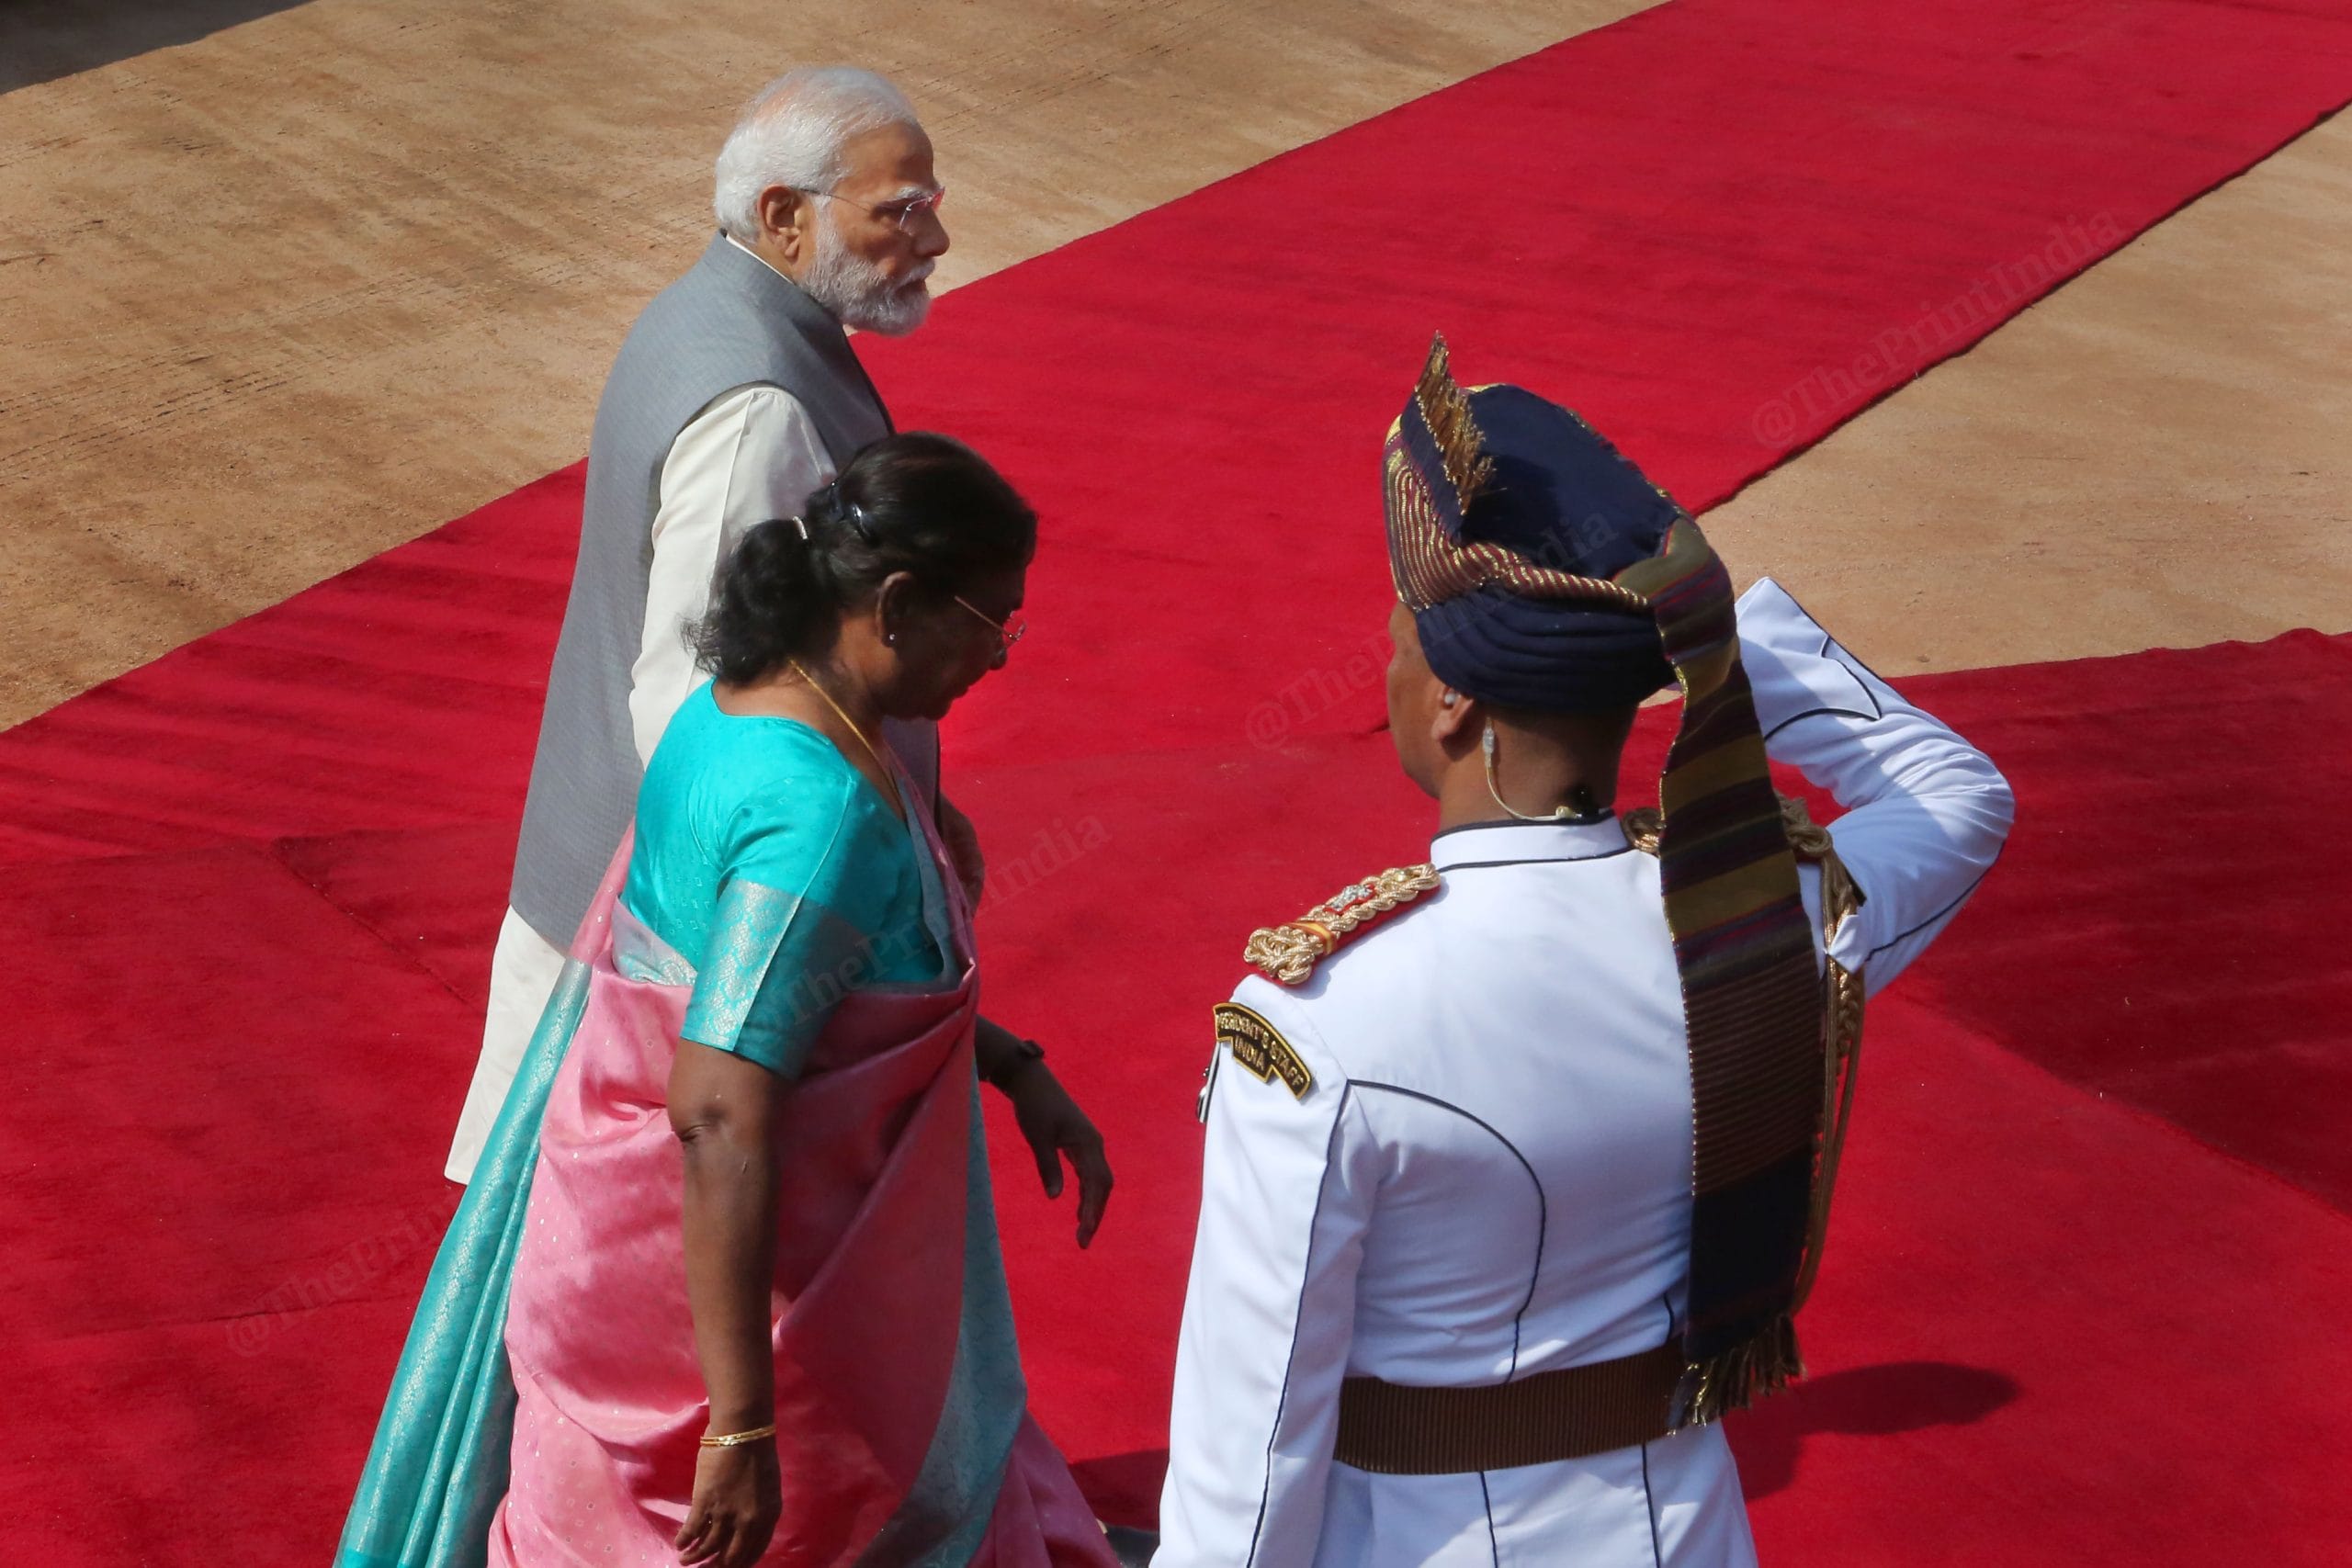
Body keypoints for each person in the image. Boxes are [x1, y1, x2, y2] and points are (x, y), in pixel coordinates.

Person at [1152, 338, 2014, 1565]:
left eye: (1400, 643)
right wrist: (1712, 642)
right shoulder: (1760, 927)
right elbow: (1954, 795)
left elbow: (1256, 1430)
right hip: (1684, 1531)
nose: (1389, 668)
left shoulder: (1323, 1021)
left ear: (1452, 700)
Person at [337, 434, 1117, 1568]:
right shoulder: (816, 813)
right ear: (896, 604)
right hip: (729, 1330)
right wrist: (742, 1425)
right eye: (990, 622)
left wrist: (1007, 1062)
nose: (999, 656)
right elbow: (717, 1105)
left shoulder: (741, 711)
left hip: (615, 1269)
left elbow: (792, 997)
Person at [447, 65, 969, 1183]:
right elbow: (696, 703)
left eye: (928, 205)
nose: (933, 239)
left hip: (641, 918)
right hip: (670, 959)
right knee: (594, 1257)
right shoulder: (759, 404)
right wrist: (764, 951)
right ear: (784, 216)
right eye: (900, 211)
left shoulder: (712, 314)